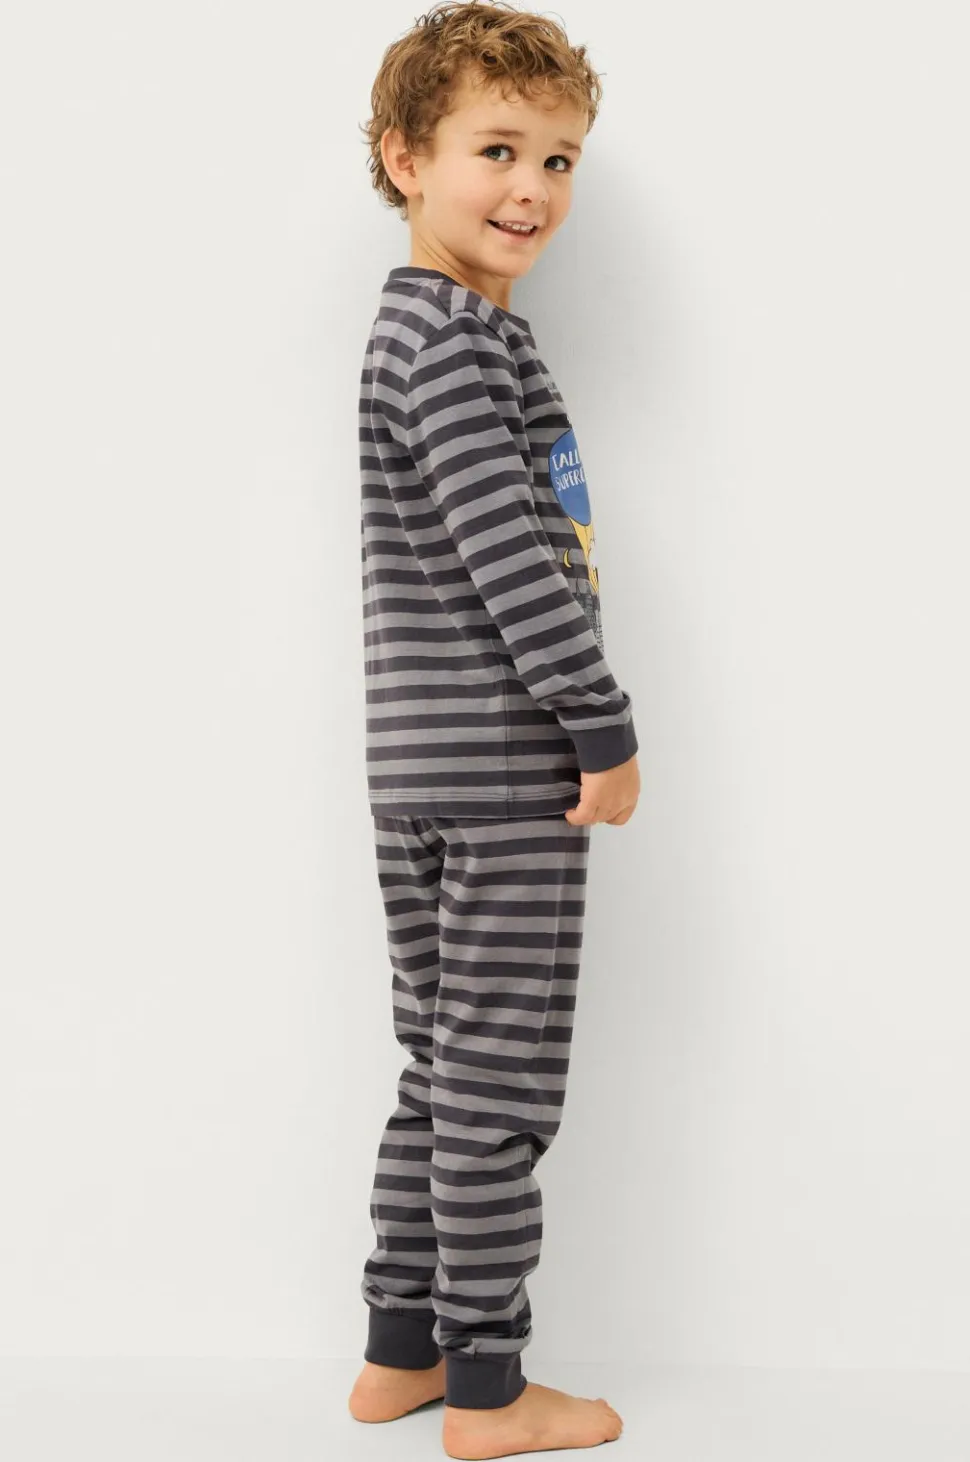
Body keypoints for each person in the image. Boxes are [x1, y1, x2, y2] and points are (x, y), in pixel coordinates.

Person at [348, 3, 638, 1455]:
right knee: (498, 1088)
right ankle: (488, 1388)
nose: (532, 188)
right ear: (407, 159)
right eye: (498, 150)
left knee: (440, 1065)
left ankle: (400, 1350)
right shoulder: (456, 344)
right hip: (505, 765)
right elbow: (512, 560)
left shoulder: (421, 333)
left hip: (418, 763)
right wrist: (601, 725)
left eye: (559, 159)